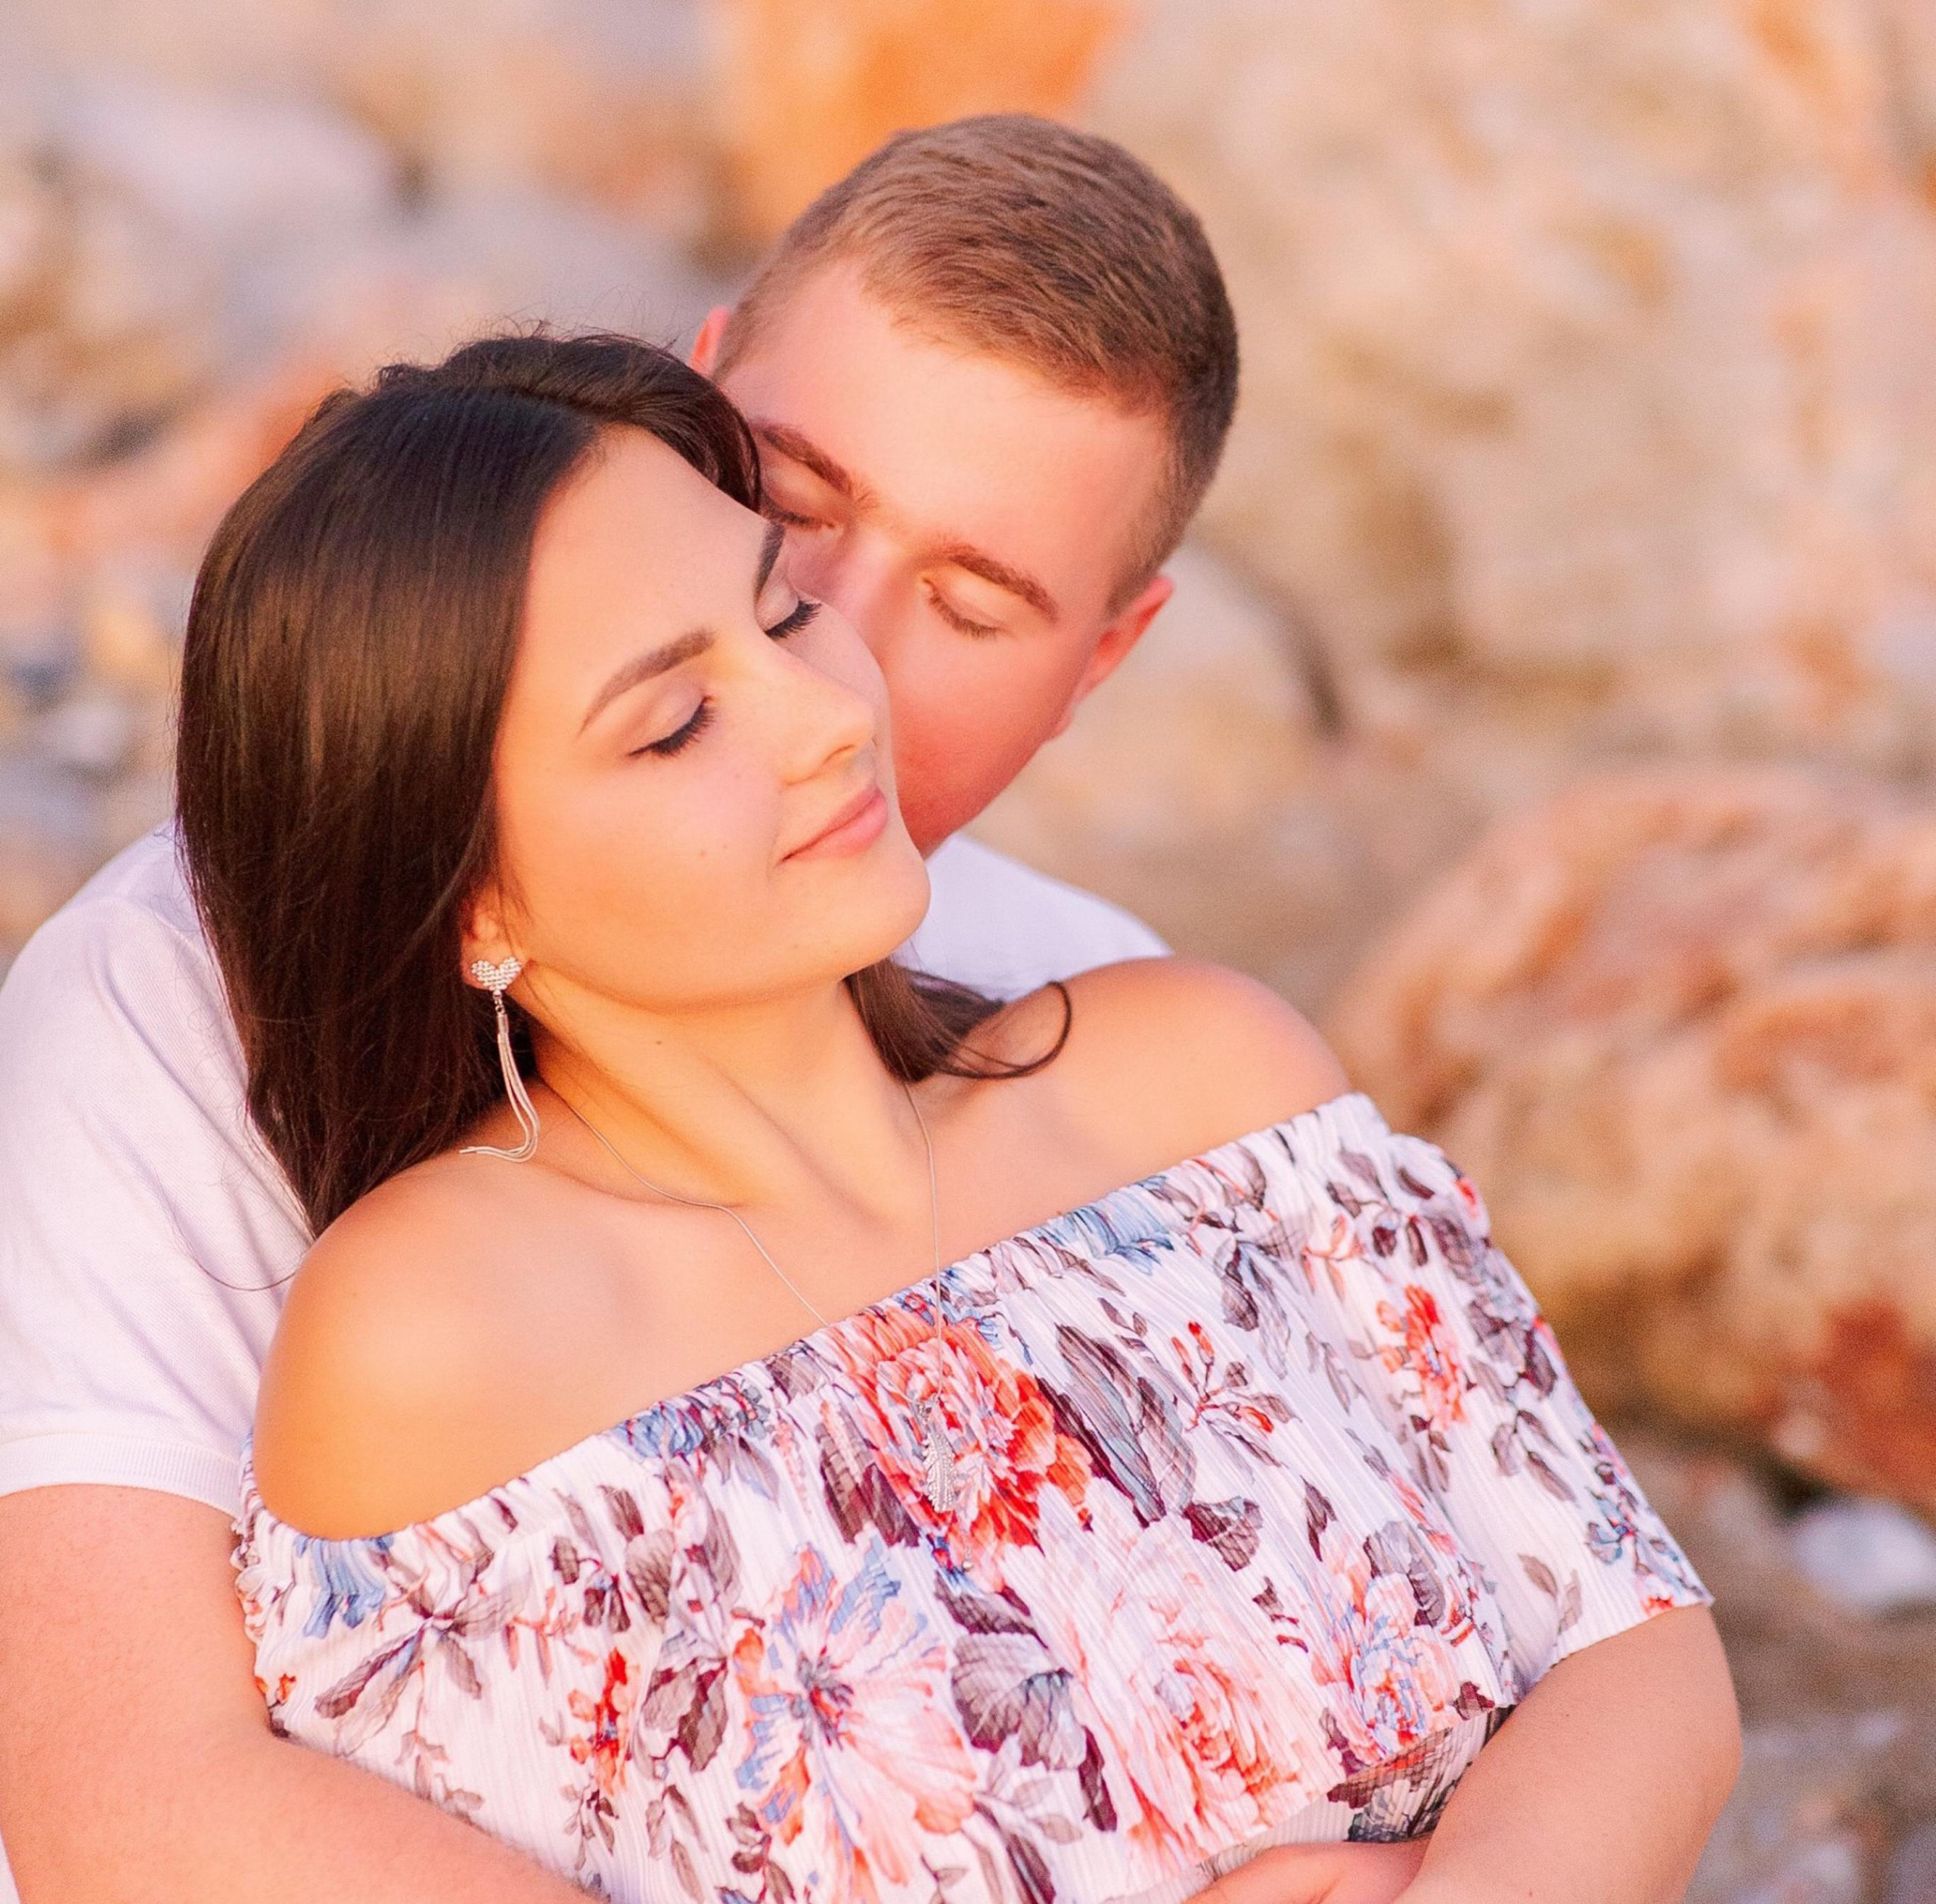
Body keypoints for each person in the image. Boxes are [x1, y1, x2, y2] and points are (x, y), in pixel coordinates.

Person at [203, 329, 1733, 1904]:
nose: (820, 711)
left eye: (781, 606)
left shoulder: (1193, 1078)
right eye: (674, 723)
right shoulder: (444, 1336)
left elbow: (1635, 1641)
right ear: (470, 901)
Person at [0, 116, 1216, 1903]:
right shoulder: (166, 1001)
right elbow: (129, 1801)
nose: (840, 663)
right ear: (693, 396)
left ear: (1099, 659)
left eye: (967, 606)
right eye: (791, 526)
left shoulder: (1087, 1024)